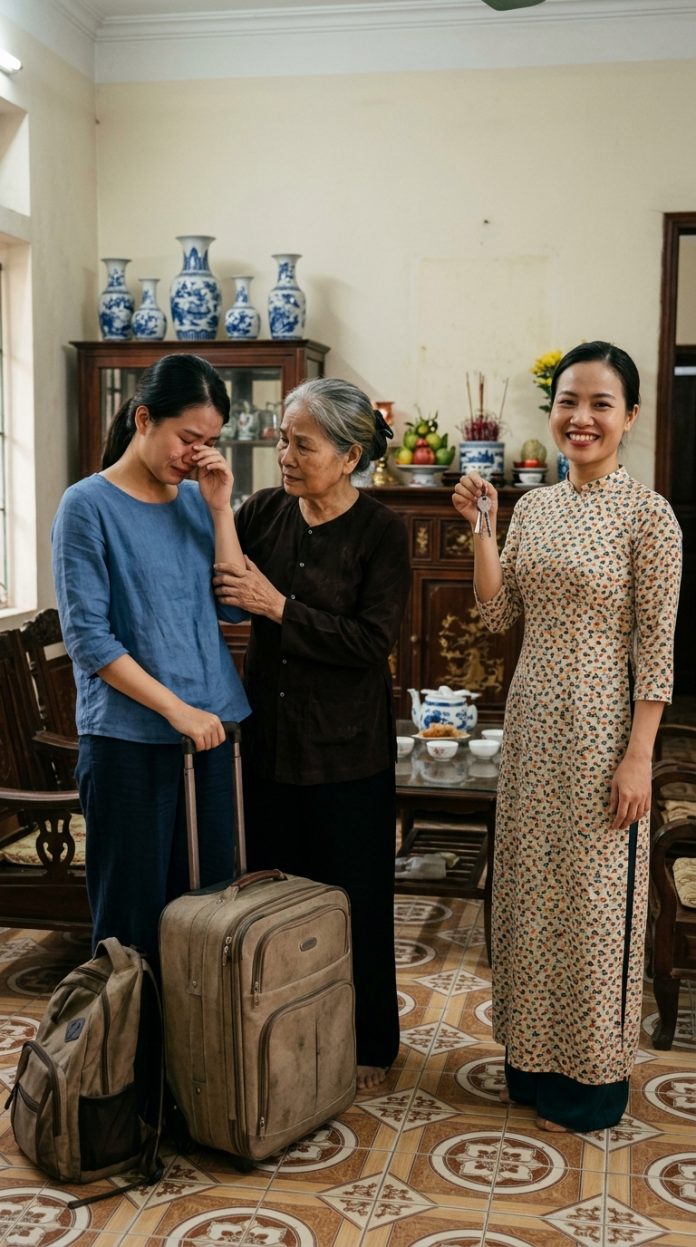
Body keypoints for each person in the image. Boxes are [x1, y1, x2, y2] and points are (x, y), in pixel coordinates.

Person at [452, 341, 682, 1133]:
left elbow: (658, 648)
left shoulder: (649, 516)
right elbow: (496, 612)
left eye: (600, 404)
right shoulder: (536, 507)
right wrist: (484, 526)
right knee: (528, 894)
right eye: (568, 403)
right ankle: (531, 1059)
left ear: (630, 417)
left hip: (603, 733)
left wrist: (639, 756)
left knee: (593, 904)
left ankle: (587, 1081)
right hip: (531, 728)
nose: (581, 418)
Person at [213, 378, 410, 1090]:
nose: (285, 455)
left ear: (350, 455)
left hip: (347, 753)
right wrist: (218, 506)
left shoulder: (382, 532)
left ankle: (369, 1044)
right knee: (274, 901)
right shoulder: (263, 511)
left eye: (304, 444)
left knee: (356, 901)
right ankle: (283, 1035)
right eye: (283, 439)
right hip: (269, 745)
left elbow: (371, 642)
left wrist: (280, 607)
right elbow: (225, 590)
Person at [52, 354, 250, 959]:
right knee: (130, 926)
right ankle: (131, 1029)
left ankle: (196, 1030)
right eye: (187, 437)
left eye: (209, 442)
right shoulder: (86, 505)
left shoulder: (196, 502)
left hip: (212, 735)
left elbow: (235, 608)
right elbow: (90, 641)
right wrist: (176, 710)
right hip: (128, 742)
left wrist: (221, 509)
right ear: (144, 419)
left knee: (209, 922)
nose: (196, 454)